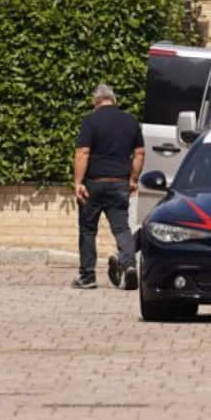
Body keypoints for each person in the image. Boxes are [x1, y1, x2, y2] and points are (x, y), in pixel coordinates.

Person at [72, 82, 143, 290]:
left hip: (94, 184)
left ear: (96, 102)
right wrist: (133, 179)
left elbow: (82, 152)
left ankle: (87, 276)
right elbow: (139, 153)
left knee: (87, 229)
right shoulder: (130, 121)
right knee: (122, 228)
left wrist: (78, 183)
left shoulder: (90, 120)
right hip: (119, 183)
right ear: (114, 100)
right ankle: (129, 266)